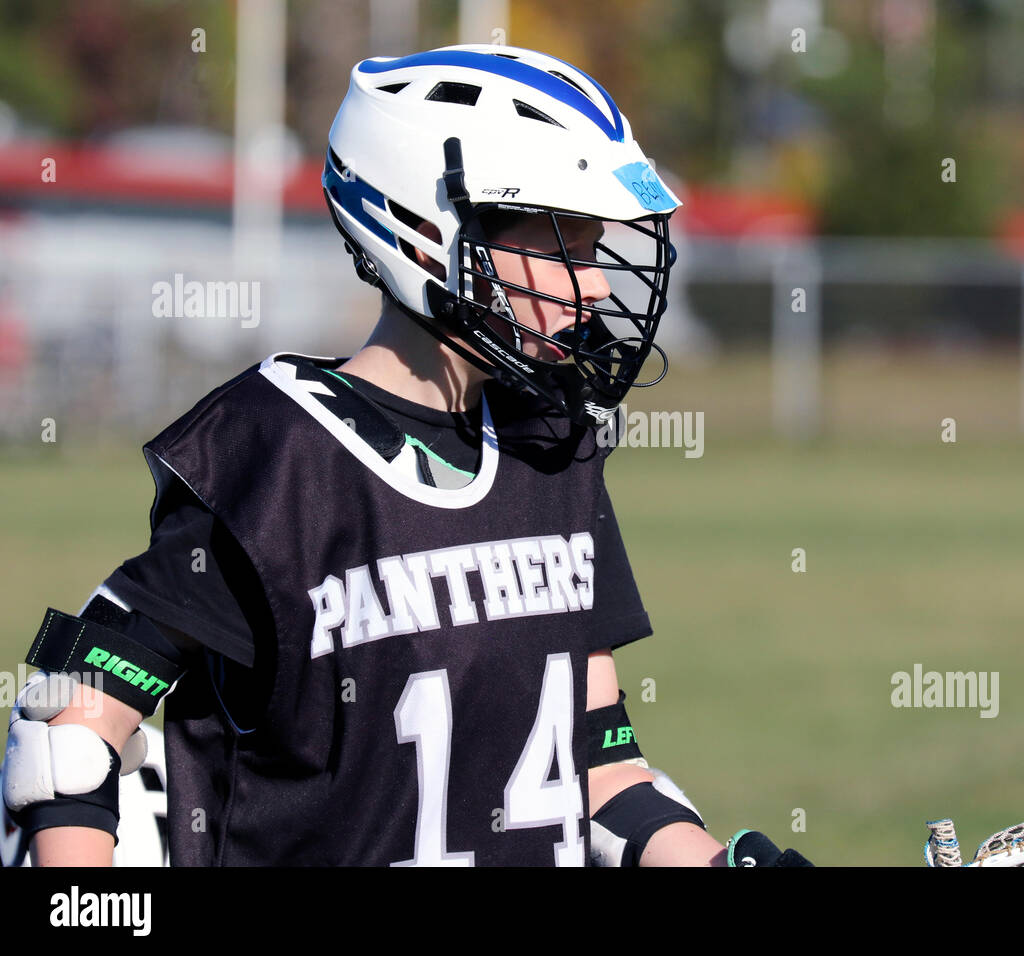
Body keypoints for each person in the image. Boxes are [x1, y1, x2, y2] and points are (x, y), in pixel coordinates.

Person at [2, 44, 810, 867]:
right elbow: (66, 741)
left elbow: (601, 770)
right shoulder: (276, 459)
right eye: (562, 242)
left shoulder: (550, 450)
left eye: (596, 246)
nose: (597, 286)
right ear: (429, 233)